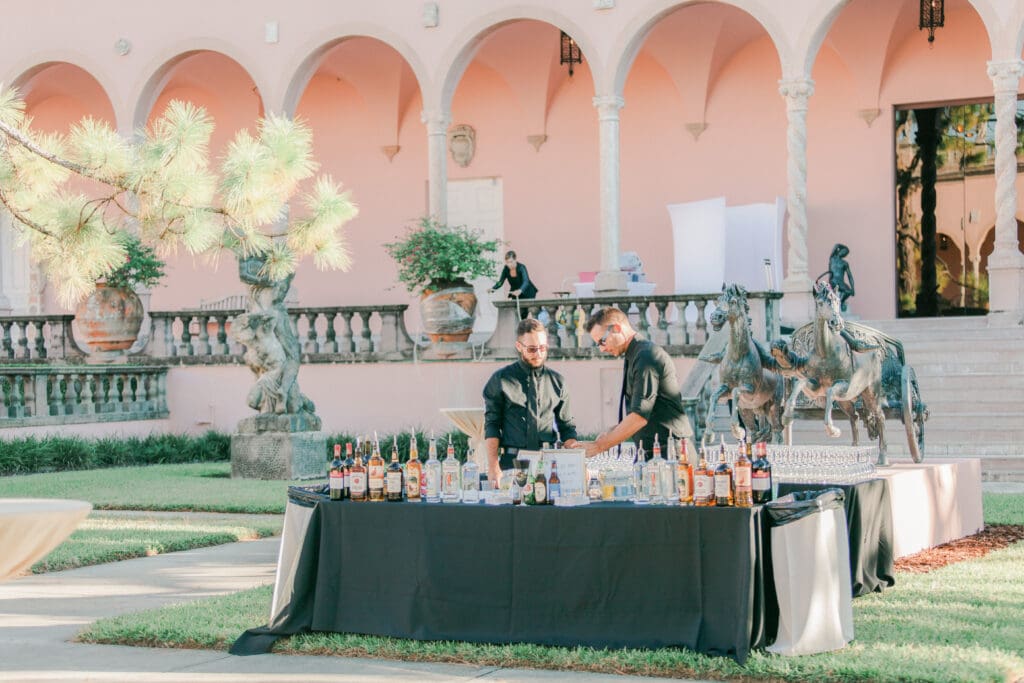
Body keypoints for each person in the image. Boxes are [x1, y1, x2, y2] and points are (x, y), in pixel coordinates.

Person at [581, 307, 690, 459]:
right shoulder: (635, 354)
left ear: (617, 328)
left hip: (671, 453)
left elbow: (639, 416)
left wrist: (600, 446)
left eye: (602, 341)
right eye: (597, 344)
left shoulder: (645, 355)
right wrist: (612, 433)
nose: (602, 349)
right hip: (655, 452)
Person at [483, 318, 578, 483]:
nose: (539, 354)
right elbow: (492, 425)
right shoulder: (501, 379)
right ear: (519, 346)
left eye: (543, 348)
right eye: (532, 349)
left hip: (548, 462)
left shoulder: (557, 381)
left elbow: (567, 428)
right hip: (512, 462)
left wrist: (579, 464)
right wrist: (492, 466)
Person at [822, 243, 855, 312]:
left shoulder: (844, 263)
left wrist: (853, 288)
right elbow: (836, 245)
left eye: (846, 253)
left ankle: (841, 302)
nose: (844, 253)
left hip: (840, 282)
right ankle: (834, 303)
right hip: (833, 281)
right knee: (827, 294)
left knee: (848, 291)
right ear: (839, 250)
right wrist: (843, 247)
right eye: (843, 251)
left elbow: (850, 276)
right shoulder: (832, 259)